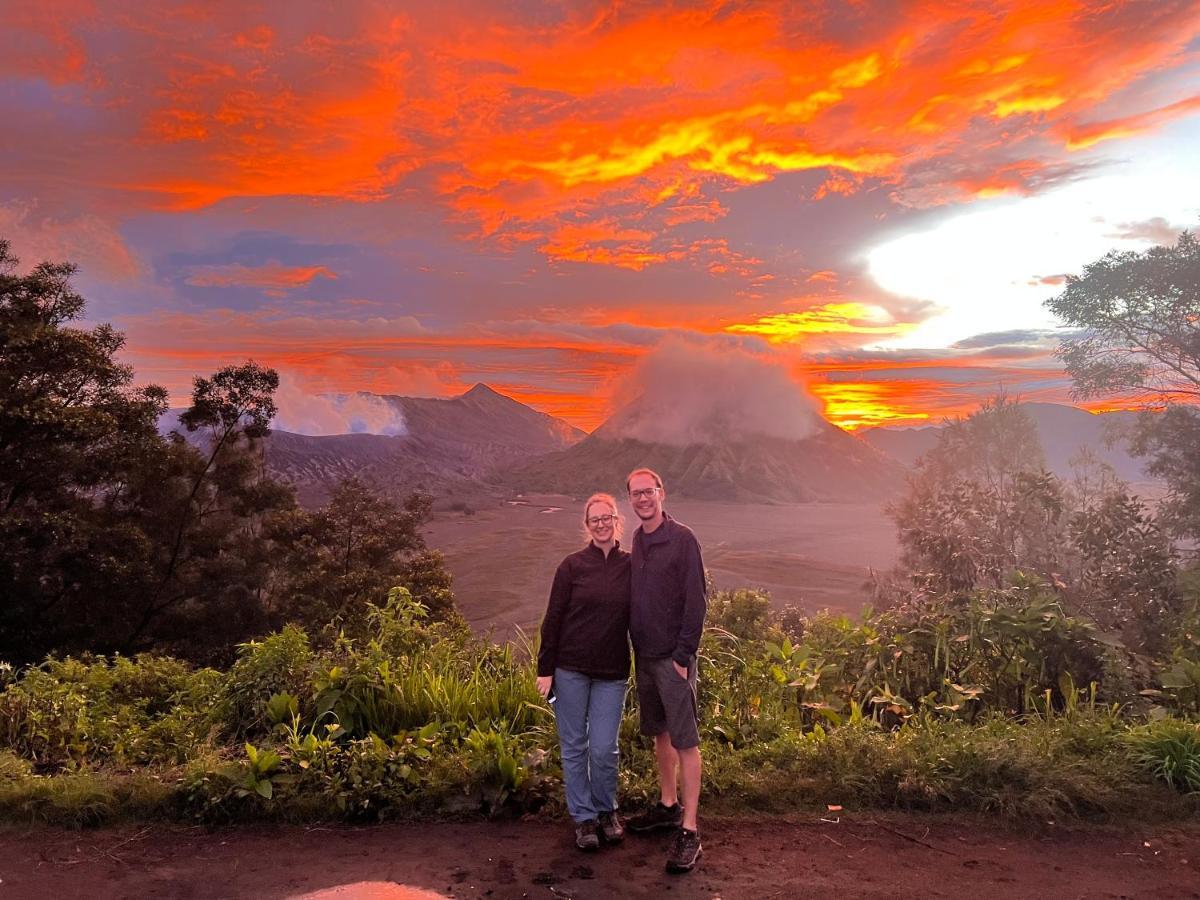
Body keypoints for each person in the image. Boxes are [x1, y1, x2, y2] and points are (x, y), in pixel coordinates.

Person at [536, 493, 632, 852]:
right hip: (570, 670)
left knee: (604, 748)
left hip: (612, 672)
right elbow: (554, 619)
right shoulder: (571, 567)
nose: (601, 524)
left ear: (616, 520)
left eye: (607, 517)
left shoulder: (630, 566)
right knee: (574, 746)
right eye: (595, 520)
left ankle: (607, 810)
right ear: (587, 525)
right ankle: (584, 818)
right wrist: (546, 670)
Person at [624, 467, 706, 873]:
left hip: (673, 659)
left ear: (662, 492)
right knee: (661, 732)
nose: (643, 498)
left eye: (649, 491)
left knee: (685, 739)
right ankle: (668, 805)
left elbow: (697, 602)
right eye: (636, 493)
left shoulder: (683, 539)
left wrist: (683, 655)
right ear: (631, 499)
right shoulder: (638, 539)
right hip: (646, 656)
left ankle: (689, 830)